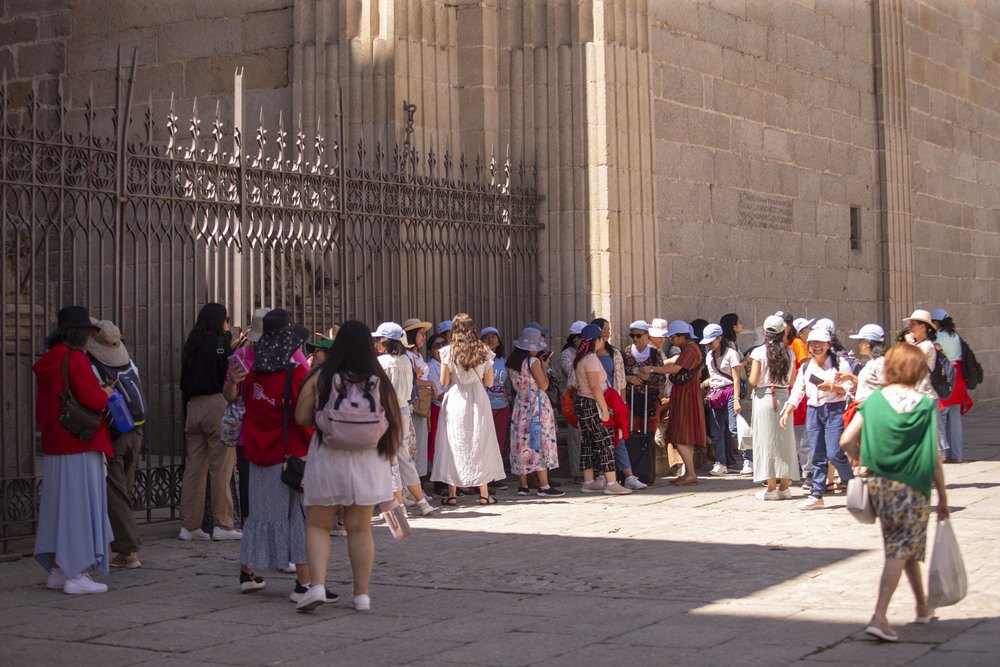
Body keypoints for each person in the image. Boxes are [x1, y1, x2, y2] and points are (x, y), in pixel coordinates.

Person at [839, 343, 949, 642]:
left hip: (880, 484)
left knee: (903, 543)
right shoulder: (925, 405)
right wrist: (943, 495)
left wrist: (860, 459)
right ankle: (880, 616)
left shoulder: (874, 400)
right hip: (914, 485)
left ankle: (923, 607)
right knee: (901, 547)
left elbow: (847, 439)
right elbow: (934, 454)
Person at [294, 320, 402, 612]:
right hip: (368, 462)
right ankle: (362, 595)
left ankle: (316, 585)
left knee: (317, 525)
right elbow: (394, 423)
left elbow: (301, 417)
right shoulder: (378, 377)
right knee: (359, 529)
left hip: (327, 457)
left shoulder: (321, 375)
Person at [235, 309, 318, 598]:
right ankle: (303, 584)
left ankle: (247, 572)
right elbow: (305, 418)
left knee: (258, 515)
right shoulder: (294, 375)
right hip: (289, 454)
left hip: (258, 453)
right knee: (297, 517)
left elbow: (248, 410)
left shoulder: (252, 376)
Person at [33, 307, 114, 594]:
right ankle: (76, 574)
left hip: (55, 445)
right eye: (90, 335)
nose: (90, 340)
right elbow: (92, 399)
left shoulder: (49, 360)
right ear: (81, 335)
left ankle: (58, 569)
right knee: (79, 508)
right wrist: (104, 394)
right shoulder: (75, 359)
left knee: (58, 508)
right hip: (79, 442)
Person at [224, 308, 311, 528]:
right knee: (253, 496)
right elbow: (229, 397)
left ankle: (278, 544)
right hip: (251, 436)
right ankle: (256, 539)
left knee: (284, 497)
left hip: (284, 438)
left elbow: (306, 393)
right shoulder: (241, 357)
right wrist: (233, 382)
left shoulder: (295, 358)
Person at [87, 318, 147, 570]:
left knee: (116, 492)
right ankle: (125, 539)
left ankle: (127, 551)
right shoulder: (127, 362)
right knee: (125, 487)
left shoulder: (93, 364)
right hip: (135, 430)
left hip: (113, 434)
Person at [178, 303, 240, 541]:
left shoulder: (191, 345)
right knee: (220, 468)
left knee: (194, 469)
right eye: (226, 318)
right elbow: (224, 375)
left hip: (193, 407)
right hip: (215, 404)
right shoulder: (219, 343)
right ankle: (223, 524)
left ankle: (189, 525)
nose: (227, 323)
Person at [431, 313, 506, 505]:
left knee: (454, 442)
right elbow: (489, 383)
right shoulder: (484, 351)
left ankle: (452, 494)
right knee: (480, 442)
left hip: (456, 398)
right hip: (478, 399)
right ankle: (484, 493)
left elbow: (444, 382)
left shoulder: (447, 352)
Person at [780, 328, 855, 510]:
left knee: (835, 453)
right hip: (813, 411)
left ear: (828, 345)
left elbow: (850, 389)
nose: (817, 347)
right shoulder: (806, 367)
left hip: (834, 410)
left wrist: (832, 387)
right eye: (813, 344)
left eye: (821, 343)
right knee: (817, 455)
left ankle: (855, 490)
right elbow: (798, 390)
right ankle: (816, 494)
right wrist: (787, 411)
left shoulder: (839, 363)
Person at [373, 322, 435, 515]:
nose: (375, 344)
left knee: (390, 460)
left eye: (378, 340)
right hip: (403, 410)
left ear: (385, 342)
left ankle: (398, 506)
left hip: (386, 412)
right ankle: (422, 502)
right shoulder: (406, 361)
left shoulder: (381, 363)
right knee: (404, 458)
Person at [572, 324, 631, 495]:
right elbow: (594, 386)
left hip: (583, 403)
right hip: (593, 403)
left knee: (588, 442)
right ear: (596, 340)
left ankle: (589, 481)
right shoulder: (591, 359)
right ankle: (612, 482)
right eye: (601, 338)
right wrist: (604, 409)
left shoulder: (581, 358)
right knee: (606, 441)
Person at [507, 327, 565, 497]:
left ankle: (523, 485)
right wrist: (544, 366)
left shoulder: (512, 363)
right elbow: (544, 385)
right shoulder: (532, 362)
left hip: (520, 405)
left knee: (521, 444)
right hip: (536, 406)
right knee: (538, 442)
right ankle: (544, 486)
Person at [747, 316, 798, 500]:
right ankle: (785, 487)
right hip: (784, 397)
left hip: (765, 398)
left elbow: (753, 380)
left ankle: (770, 489)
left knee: (766, 441)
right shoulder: (790, 353)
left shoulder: (759, 352)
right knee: (785, 442)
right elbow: (792, 381)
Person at [662, 320, 707, 486]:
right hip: (685, 393)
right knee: (683, 435)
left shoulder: (690, 349)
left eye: (673, 337)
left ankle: (691, 474)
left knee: (682, 435)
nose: (671, 341)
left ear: (682, 336)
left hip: (687, 394)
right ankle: (689, 473)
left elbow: (676, 369)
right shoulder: (690, 349)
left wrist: (653, 369)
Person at [591, 318, 634, 484]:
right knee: (599, 441)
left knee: (619, 439)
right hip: (593, 401)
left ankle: (629, 476)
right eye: (604, 329)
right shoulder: (588, 354)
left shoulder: (615, 353)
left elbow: (621, 380)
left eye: (609, 329)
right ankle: (601, 475)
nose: (608, 333)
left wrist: (621, 404)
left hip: (612, 401)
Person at [621, 320, 663, 488]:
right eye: (632, 336)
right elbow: (619, 375)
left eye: (638, 336)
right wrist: (629, 378)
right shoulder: (625, 353)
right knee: (630, 435)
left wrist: (649, 377)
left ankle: (646, 472)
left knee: (649, 436)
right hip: (631, 400)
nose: (635, 339)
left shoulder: (655, 354)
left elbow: (662, 378)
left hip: (650, 400)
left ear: (647, 336)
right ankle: (631, 473)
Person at [931, 309, 972, 462]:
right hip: (958, 377)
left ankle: (943, 452)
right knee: (955, 417)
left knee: (940, 415)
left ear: (935, 322)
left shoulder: (939, 336)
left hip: (947, 378)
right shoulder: (955, 335)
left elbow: (935, 350)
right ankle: (957, 454)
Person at [701, 323, 742, 476]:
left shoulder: (731, 354)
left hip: (730, 391)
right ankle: (721, 462)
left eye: (711, 342)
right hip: (715, 393)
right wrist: (701, 385)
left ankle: (749, 459)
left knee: (734, 429)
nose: (709, 345)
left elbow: (736, 378)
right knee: (717, 431)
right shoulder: (709, 355)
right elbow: (712, 376)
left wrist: (737, 399)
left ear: (719, 338)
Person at [403, 318, 435, 477]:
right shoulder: (407, 356)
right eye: (420, 333)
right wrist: (432, 384)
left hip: (423, 404)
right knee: (414, 445)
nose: (424, 337)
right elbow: (412, 379)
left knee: (421, 443)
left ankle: (419, 483)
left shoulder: (418, 356)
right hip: (414, 404)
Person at [560, 321, 588, 481]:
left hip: (588, 396)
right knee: (576, 436)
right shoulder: (567, 354)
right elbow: (575, 375)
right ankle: (577, 472)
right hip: (572, 399)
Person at [481, 326, 511, 460]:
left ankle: (496, 477)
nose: (490, 339)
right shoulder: (478, 361)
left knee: (499, 440)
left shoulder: (504, 362)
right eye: (486, 337)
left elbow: (505, 385)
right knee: (484, 441)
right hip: (484, 406)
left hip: (501, 406)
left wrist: (507, 403)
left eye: (493, 337)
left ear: (498, 342)